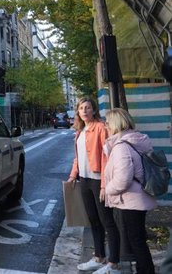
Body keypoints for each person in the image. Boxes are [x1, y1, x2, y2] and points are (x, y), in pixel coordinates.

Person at [68, 96, 120, 273]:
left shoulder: (100, 128)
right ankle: (99, 257)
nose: (84, 111)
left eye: (88, 107)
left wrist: (105, 185)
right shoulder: (80, 131)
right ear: (78, 111)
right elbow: (78, 157)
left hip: (98, 180)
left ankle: (114, 263)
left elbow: (106, 158)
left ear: (94, 110)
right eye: (81, 108)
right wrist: (73, 175)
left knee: (107, 221)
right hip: (84, 180)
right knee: (93, 220)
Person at [103, 108, 156, 274]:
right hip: (139, 197)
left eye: (107, 123)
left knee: (136, 241)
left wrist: (108, 189)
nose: (106, 126)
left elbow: (123, 179)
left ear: (115, 124)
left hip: (130, 200)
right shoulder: (138, 140)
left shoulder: (122, 147)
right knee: (138, 239)